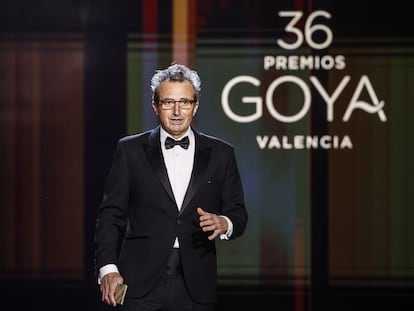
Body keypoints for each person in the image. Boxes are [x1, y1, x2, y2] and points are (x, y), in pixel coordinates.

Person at [94, 63, 248, 310]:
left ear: (195, 106)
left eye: (185, 102)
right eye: (168, 102)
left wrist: (224, 223)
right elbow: (110, 215)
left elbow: (238, 214)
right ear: (155, 106)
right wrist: (108, 268)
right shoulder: (130, 150)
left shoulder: (221, 153)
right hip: (137, 282)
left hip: (197, 283)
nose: (177, 110)